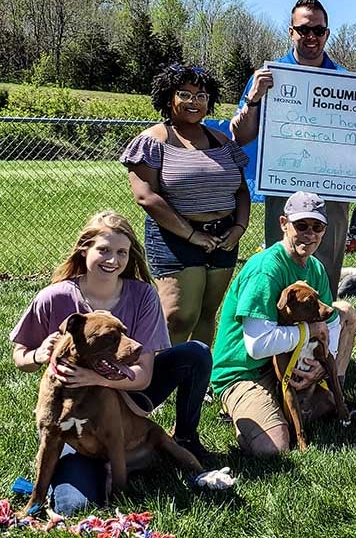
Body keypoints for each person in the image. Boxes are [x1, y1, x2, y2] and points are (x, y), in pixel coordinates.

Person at [9, 211, 212, 514]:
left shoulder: (142, 295)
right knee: (72, 507)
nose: (113, 260)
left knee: (195, 353)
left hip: (129, 388)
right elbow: (19, 355)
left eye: (122, 253)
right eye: (103, 250)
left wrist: (96, 379)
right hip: (72, 404)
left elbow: (142, 375)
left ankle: (184, 438)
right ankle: (75, 466)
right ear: (84, 250)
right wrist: (38, 355)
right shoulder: (55, 297)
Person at [211, 191, 356, 456]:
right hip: (245, 370)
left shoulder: (315, 268)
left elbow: (332, 324)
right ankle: (240, 408)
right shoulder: (265, 269)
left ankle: (325, 395)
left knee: (345, 311)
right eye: (301, 225)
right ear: (283, 224)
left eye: (317, 227)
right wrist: (309, 331)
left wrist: (322, 367)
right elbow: (257, 345)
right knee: (274, 447)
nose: (309, 234)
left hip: (284, 362)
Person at [229, 0, 350, 299]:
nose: (311, 37)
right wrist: (254, 98)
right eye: (303, 29)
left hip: (332, 195)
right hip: (284, 189)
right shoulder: (269, 76)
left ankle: (322, 342)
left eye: (318, 30)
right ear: (290, 31)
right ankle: (277, 341)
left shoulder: (346, 82)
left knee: (325, 275)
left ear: (327, 33)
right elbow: (239, 136)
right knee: (281, 267)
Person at [121, 64, 250, 346]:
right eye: (185, 94)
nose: (194, 102)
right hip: (175, 238)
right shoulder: (153, 140)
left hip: (224, 237)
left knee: (206, 313)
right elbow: (146, 196)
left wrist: (240, 227)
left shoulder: (222, 140)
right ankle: (157, 381)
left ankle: (196, 383)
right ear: (169, 98)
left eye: (202, 95)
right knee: (178, 316)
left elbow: (241, 190)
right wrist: (192, 235)